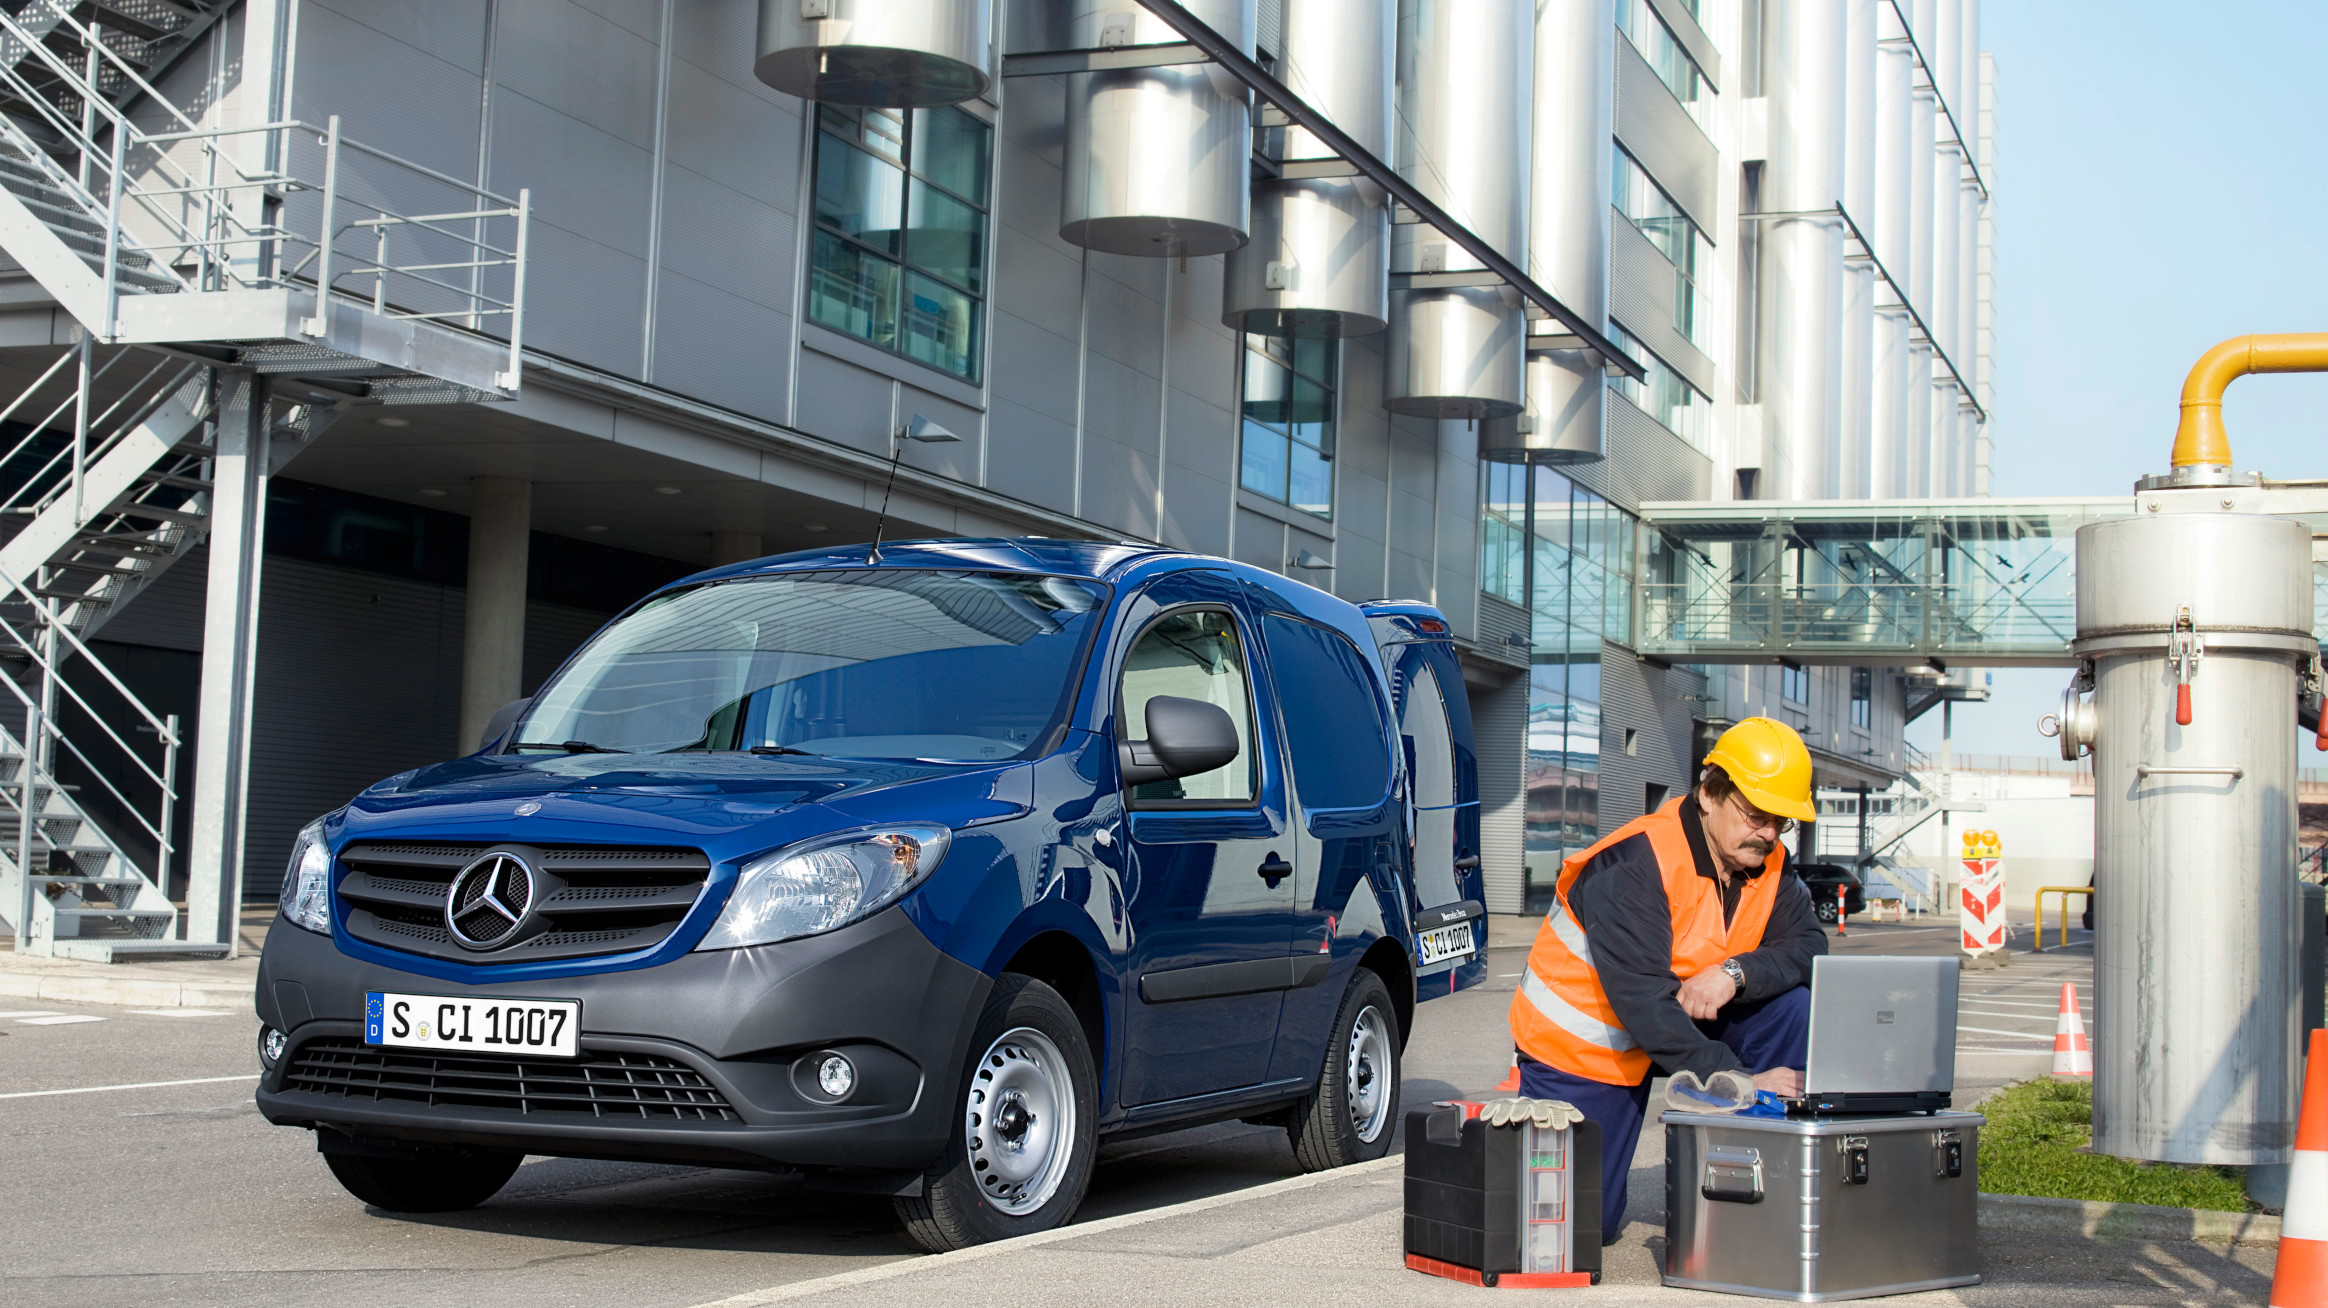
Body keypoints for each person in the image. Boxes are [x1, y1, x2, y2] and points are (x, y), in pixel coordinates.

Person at [1507, 716, 1828, 1243]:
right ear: (1708, 794)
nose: (1769, 833)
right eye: (1756, 815)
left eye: (1781, 821)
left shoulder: (1770, 864)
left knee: (1791, 1007)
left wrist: (1735, 972)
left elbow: (1810, 948)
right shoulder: (1635, 863)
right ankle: (1516, 1137)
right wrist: (1740, 1082)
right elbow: (1645, 1005)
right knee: (1577, 1230)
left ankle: (1763, 1199)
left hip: (1689, 1019)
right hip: (1588, 1046)